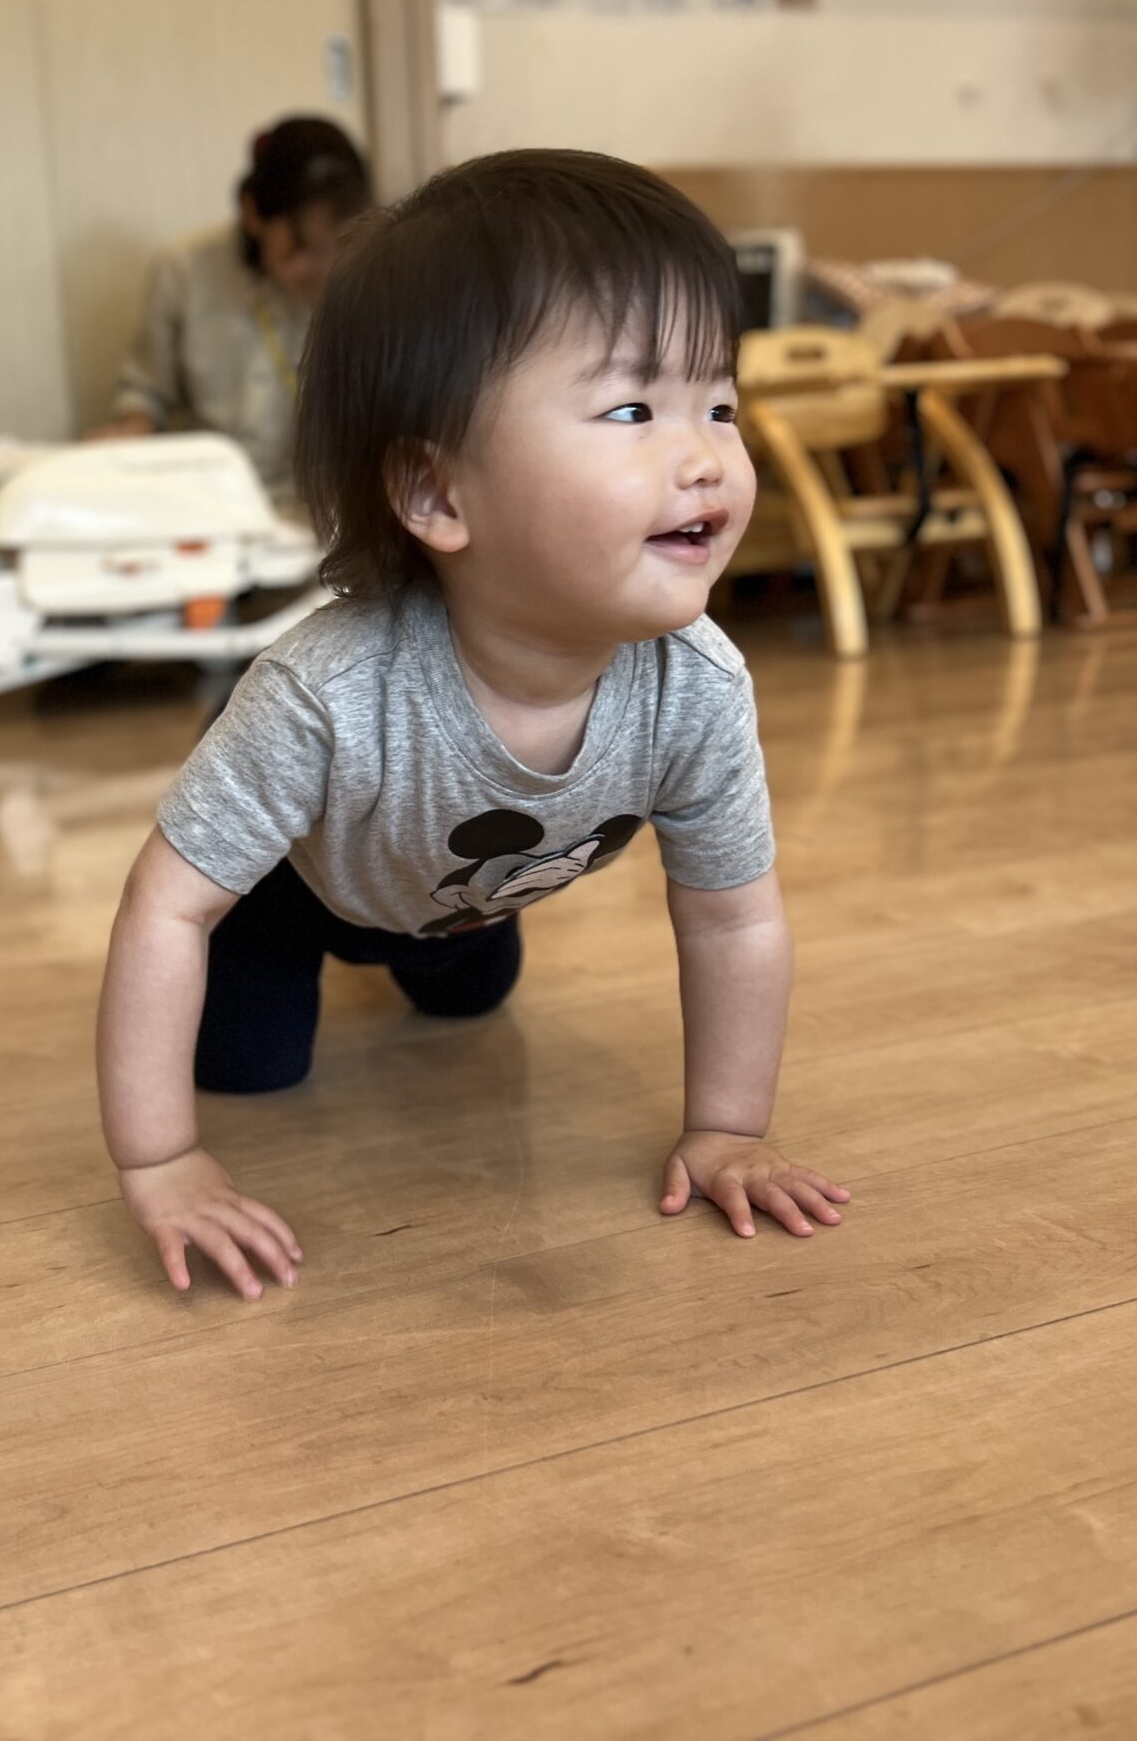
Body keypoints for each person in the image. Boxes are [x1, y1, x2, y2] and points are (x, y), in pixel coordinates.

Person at [93, 150, 850, 1299]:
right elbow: (166, 905)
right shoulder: (323, 692)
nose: (705, 454)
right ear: (439, 495)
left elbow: (732, 920)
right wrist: (162, 1158)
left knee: (469, 994)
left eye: (720, 402)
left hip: (458, 896)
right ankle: (310, 977)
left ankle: (434, 941)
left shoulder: (696, 686)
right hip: (289, 891)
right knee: (253, 1066)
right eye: (635, 407)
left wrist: (728, 1129)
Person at [90, 117, 372, 507]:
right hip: (209, 505)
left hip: (317, 509)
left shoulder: (362, 276)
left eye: (331, 246)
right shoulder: (183, 270)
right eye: (298, 248)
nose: (316, 267)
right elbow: (146, 391)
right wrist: (128, 431)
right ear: (253, 213)